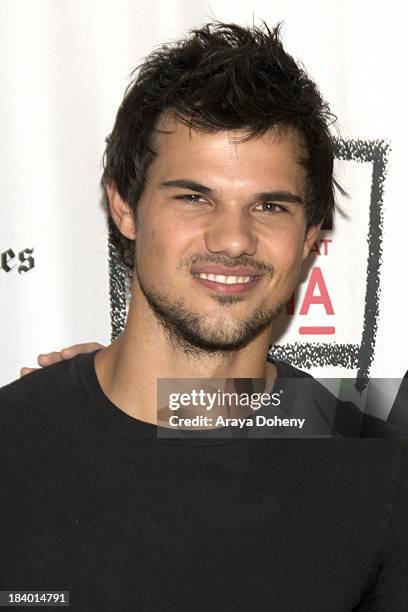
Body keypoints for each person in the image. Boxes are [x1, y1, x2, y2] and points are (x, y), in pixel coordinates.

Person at [1, 21, 407, 610]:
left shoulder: (379, 476)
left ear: (309, 238)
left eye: (269, 205)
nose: (234, 239)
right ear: (124, 207)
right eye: (194, 197)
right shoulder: (15, 447)